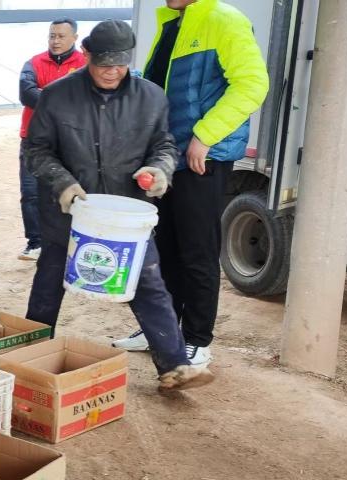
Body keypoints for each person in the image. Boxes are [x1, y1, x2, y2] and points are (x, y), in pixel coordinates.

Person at [23, 19, 213, 391]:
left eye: (121, 63)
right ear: (87, 54)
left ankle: (175, 365)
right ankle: (29, 356)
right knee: (49, 283)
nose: (112, 71)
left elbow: (164, 145)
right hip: (70, 212)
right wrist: (62, 182)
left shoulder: (151, 97)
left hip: (126, 213)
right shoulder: (57, 96)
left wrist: (159, 170)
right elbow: (36, 149)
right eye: (104, 63)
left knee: (148, 282)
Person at [115, 0, 268, 366]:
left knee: (197, 251)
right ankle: (162, 328)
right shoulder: (171, 22)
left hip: (202, 159)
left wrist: (205, 135)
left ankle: (198, 338)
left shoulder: (224, 19)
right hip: (167, 157)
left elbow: (251, 84)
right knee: (165, 247)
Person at [18, 18, 87, 261]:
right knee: (30, 193)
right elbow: (26, 94)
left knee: (72, 190)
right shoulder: (34, 62)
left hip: (72, 140)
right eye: (52, 35)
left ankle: (72, 241)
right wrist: (63, 99)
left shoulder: (84, 63)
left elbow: (85, 98)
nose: (55, 41)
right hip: (33, 140)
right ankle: (35, 242)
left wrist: (45, 94)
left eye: (61, 36)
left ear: (74, 38)